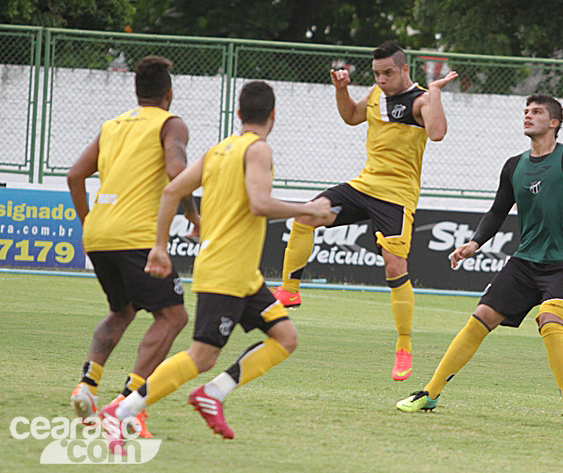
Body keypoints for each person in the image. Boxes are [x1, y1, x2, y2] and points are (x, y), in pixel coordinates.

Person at [101, 81, 329, 445]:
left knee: (285, 338)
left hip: (243, 275)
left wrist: (161, 246)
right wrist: (309, 209)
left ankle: (214, 394)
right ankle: (121, 410)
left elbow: (171, 190)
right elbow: (259, 203)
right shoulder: (258, 150)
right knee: (202, 356)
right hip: (226, 273)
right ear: (273, 115)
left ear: (239, 114)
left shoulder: (219, 149)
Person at [396, 94, 563, 429]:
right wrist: (474, 243)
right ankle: (430, 392)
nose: (528, 116)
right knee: (480, 317)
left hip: (562, 263)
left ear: (554, 123)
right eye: (526, 111)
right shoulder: (514, 165)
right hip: (524, 261)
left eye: (537, 112)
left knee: (549, 320)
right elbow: (499, 210)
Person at [273, 41, 458, 381]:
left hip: (396, 196)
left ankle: (404, 347)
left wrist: (435, 93)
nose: (382, 79)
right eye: (376, 74)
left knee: (393, 266)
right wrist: (341, 91)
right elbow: (351, 117)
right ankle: (289, 290)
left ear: (404, 70)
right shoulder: (375, 94)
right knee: (306, 214)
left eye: (388, 73)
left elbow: (438, 133)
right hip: (364, 186)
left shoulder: (419, 100)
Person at [67, 56, 199, 437]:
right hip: (136, 237)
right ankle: (128, 399)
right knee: (173, 317)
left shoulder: (113, 125)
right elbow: (177, 172)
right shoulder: (170, 124)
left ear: (136, 92)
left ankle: (87, 385)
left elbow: (75, 175)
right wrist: (192, 212)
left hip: (100, 232)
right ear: (169, 93)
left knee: (121, 310)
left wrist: (88, 221)